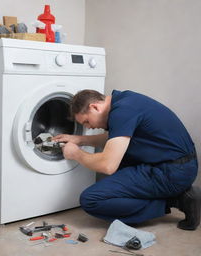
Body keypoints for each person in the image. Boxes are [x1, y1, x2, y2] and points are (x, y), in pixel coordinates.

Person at [53, 89, 200, 230]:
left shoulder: (122, 112)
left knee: (91, 199)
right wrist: (79, 139)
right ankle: (174, 194)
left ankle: (178, 200)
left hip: (172, 172)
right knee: (116, 158)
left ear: (95, 107)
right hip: (178, 165)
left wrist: (76, 154)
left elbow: (108, 166)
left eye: (86, 121)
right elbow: (116, 137)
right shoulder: (124, 100)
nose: (89, 127)